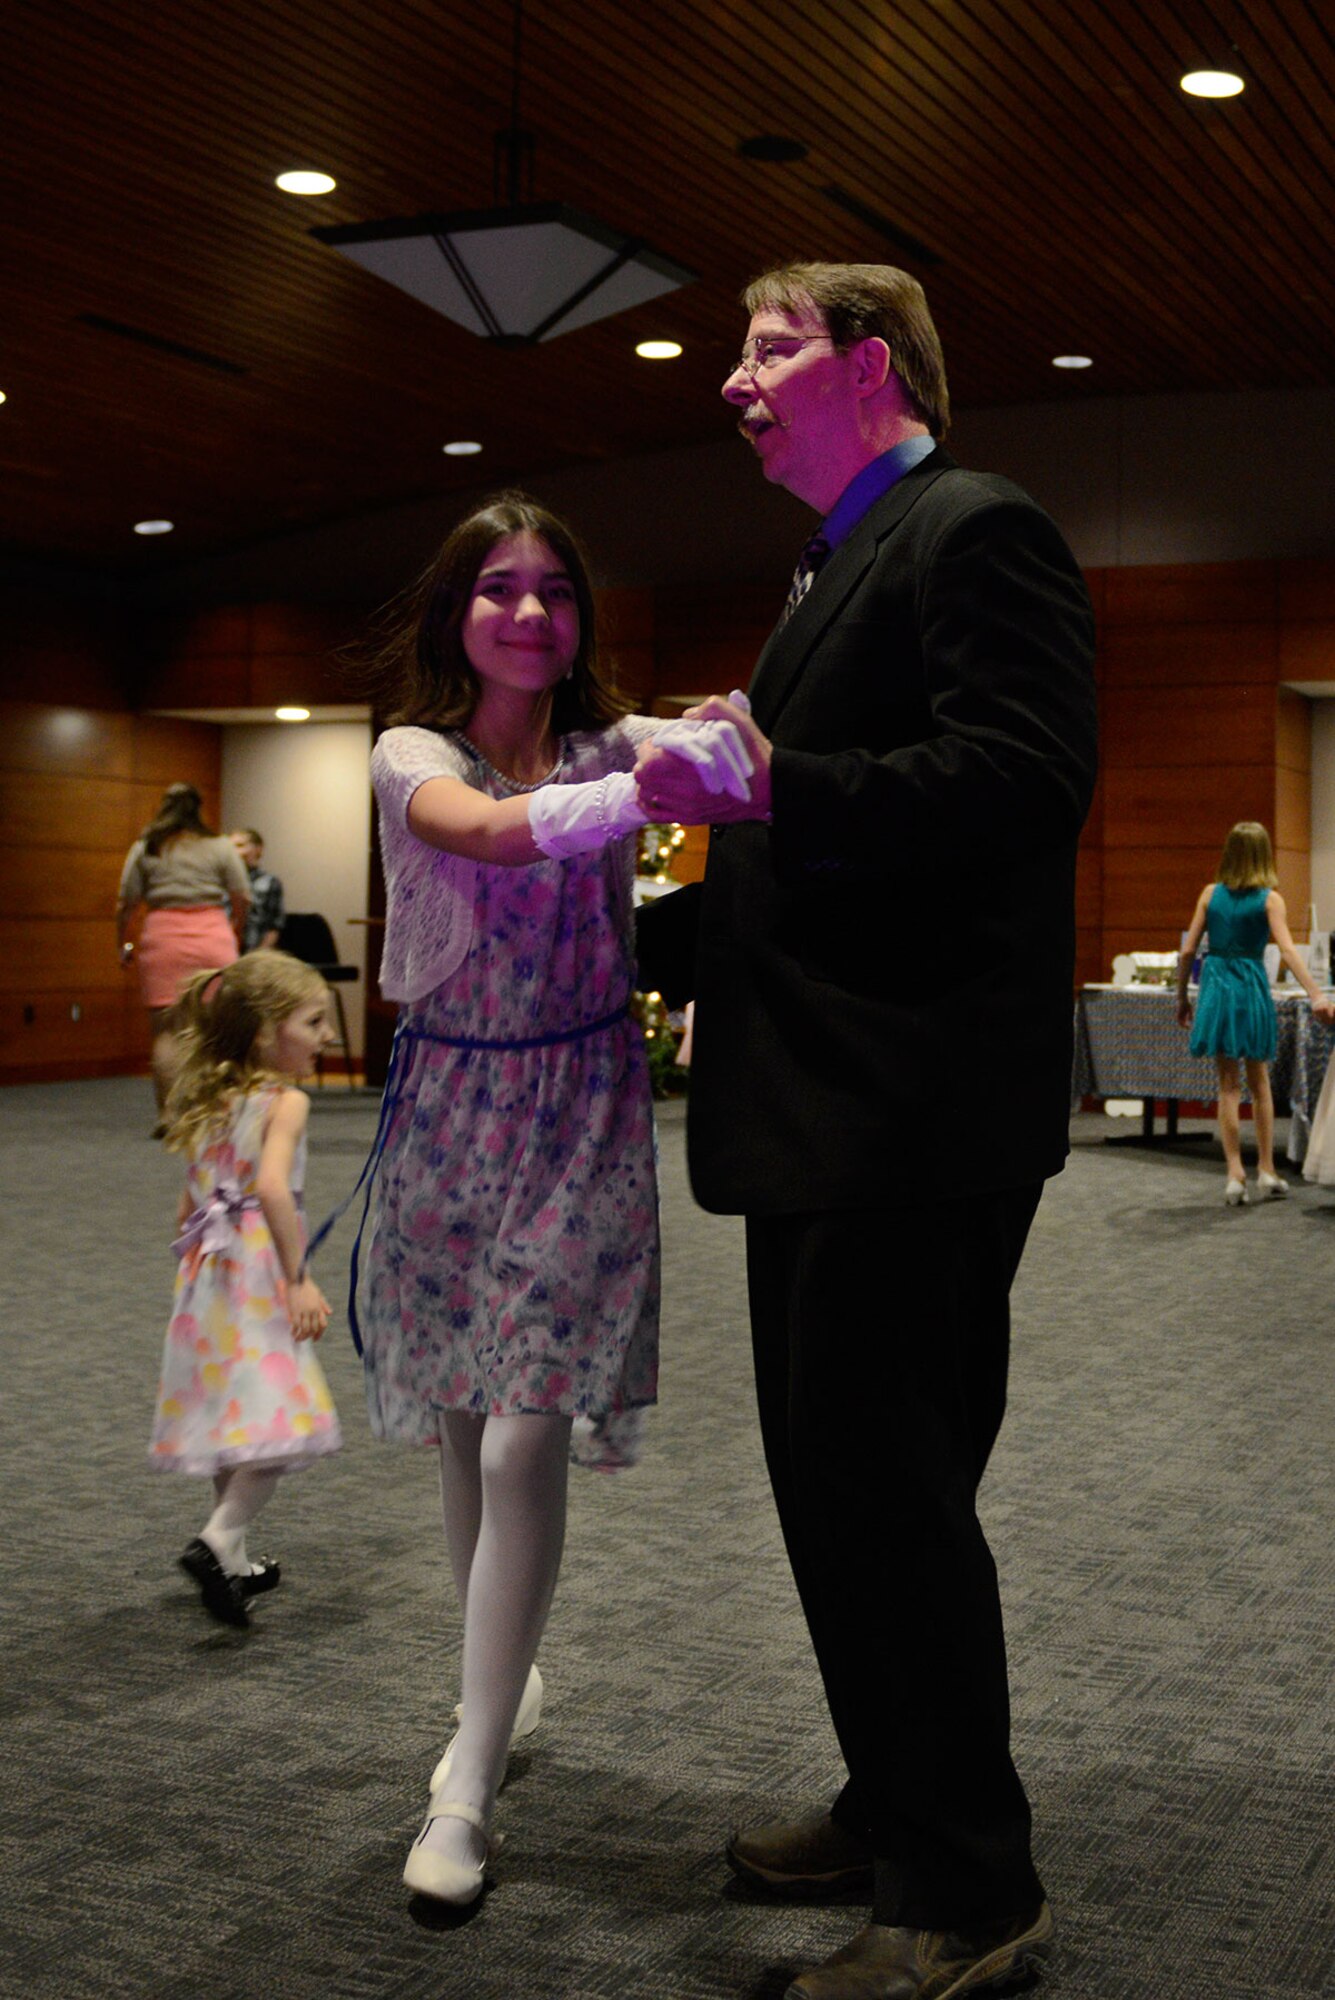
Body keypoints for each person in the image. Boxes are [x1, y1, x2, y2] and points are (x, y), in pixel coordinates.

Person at [634, 262, 1099, 2000]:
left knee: (890, 1500)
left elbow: (1023, 780)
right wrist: (621, 932)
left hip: (910, 1119)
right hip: (826, 1111)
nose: (735, 387)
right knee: (835, 1496)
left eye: (768, 350)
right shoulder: (837, 562)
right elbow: (804, 849)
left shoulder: (972, 529)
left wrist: (774, 785)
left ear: (877, 365)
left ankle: (972, 1897)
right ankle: (895, 1793)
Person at [357, 491, 744, 1909]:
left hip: (577, 1114)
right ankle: (500, 1688)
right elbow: (491, 832)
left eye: (554, 590)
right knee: (465, 1427)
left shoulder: (607, 743)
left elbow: (738, 776)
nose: (528, 612)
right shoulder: (412, 753)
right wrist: (650, 781)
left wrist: (708, 744)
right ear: (457, 612)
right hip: (451, 1114)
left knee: (525, 1440)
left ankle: (463, 1776)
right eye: (498, 588)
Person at [148, 950, 342, 1629]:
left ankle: (234, 1558)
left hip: (207, 1272)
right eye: (313, 1022)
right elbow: (269, 1189)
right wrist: (297, 1278)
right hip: (259, 1269)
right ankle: (219, 1539)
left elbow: (184, 1210)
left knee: (234, 1412)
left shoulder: (206, 1098)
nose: (327, 1037)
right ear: (265, 1032)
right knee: (284, 1419)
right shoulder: (284, 1101)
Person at [1176, 821, 1334, 1205]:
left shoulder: (1209, 894)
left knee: (1227, 1085)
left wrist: (1181, 997)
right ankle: (1266, 1169)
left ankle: (1234, 1174)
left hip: (1215, 987)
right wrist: (1316, 995)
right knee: (1259, 1082)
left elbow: (1186, 951)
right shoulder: (1269, 899)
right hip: (1250, 985)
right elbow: (1289, 951)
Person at [116, 782, 251, 1114]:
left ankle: (169, 1115)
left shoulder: (147, 847)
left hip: (163, 938)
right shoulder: (220, 846)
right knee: (214, 1027)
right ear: (200, 809)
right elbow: (242, 896)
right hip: (212, 935)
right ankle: (214, 1108)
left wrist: (122, 943)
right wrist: (235, 929)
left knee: (166, 1032)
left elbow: (126, 903)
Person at [230, 827, 286, 952]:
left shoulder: (270, 882)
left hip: (254, 952)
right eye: (231, 847)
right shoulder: (223, 883)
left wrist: (260, 955)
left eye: (240, 845)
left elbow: (274, 926)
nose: (234, 851)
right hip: (225, 950)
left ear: (257, 849)